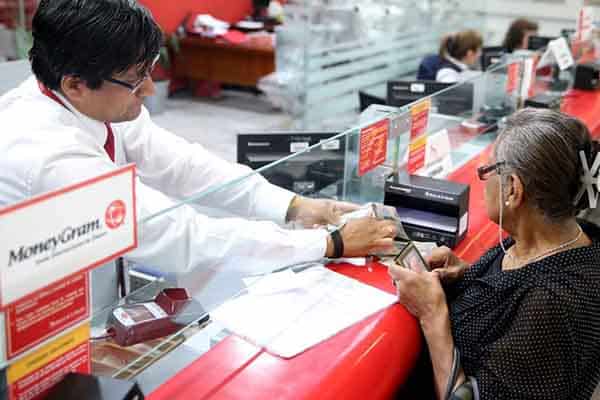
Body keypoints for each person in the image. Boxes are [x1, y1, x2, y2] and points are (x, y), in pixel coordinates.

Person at [0, 0, 398, 286]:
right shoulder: (48, 155)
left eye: (149, 70)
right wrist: (328, 243)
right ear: (75, 84)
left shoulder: (88, 100)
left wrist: (293, 206)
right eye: (136, 80)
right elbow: (179, 236)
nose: (150, 90)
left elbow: (183, 165)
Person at [390, 108, 600, 399]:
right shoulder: (562, 237)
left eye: (487, 172)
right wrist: (468, 273)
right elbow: (519, 285)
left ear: (513, 189)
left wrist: (432, 314)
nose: (484, 180)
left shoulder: (552, 305)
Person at [417, 30, 483, 83]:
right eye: (479, 50)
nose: (480, 54)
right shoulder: (448, 74)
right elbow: (450, 93)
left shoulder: (458, 67)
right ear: (470, 53)